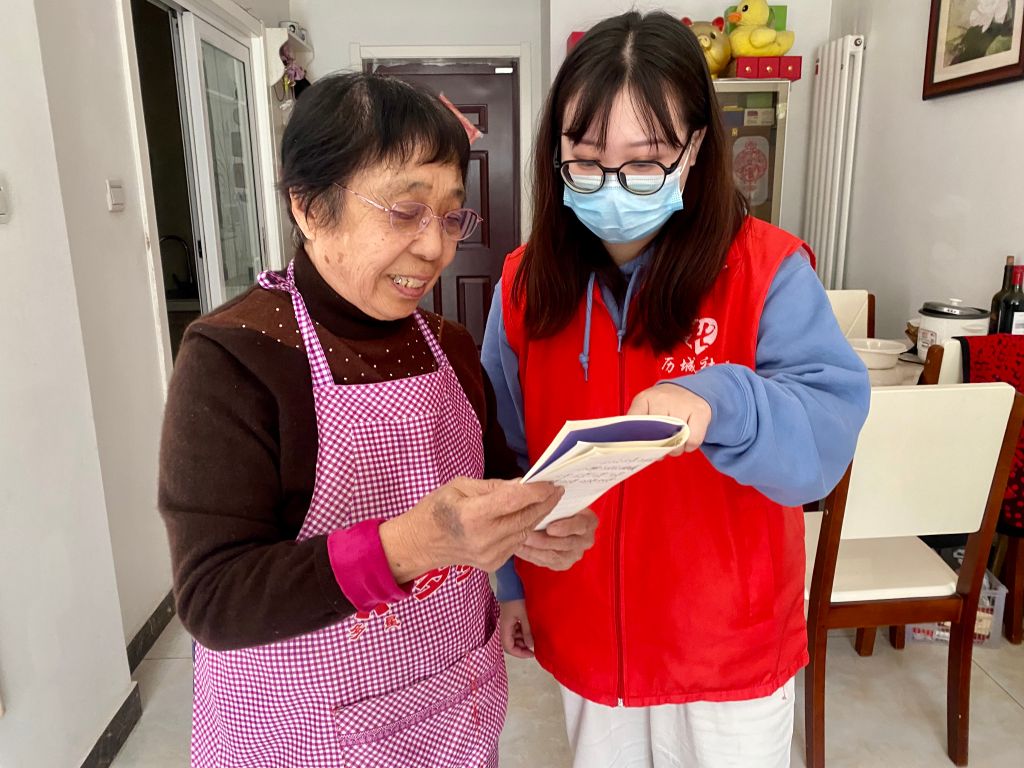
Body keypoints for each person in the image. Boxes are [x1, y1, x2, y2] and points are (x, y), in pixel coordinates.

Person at [158, 72, 597, 767]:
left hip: (455, 704)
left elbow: (495, 480)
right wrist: (410, 545)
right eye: (405, 210)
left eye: (450, 216)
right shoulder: (236, 357)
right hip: (308, 734)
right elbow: (215, 597)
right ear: (309, 207)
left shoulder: (450, 345)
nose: (436, 248)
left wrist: (530, 526)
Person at [481, 11, 871, 768]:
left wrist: (723, 400)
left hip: (725, 643)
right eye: (585, 159)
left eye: (645, 161)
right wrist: (511, 578)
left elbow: (823, 443)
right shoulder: (526, 284)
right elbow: (504, 450)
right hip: (590, 627)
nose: (611, 187)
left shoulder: (766, 269)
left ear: (696, 148)